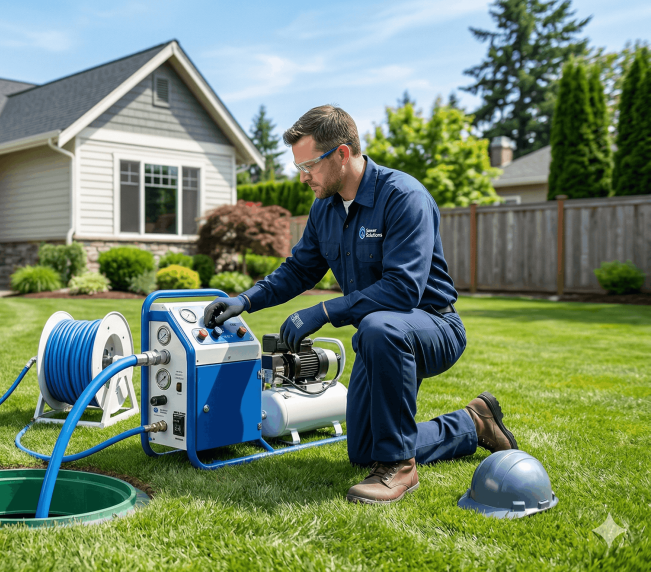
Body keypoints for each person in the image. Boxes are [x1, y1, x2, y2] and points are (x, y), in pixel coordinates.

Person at [203, 105, 518, 505]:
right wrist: (245, 300)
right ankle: (472, 424)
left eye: (309, 165)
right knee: (364, 450)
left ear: (342, 154)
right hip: (379, 338)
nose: (303, 177)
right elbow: (300, 269)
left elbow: (403, 289)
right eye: (299, 167)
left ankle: (401, 468)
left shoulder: (404, 197)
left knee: (378, 329)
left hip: (433, 328)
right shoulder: (325, 208)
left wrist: (324, 312)